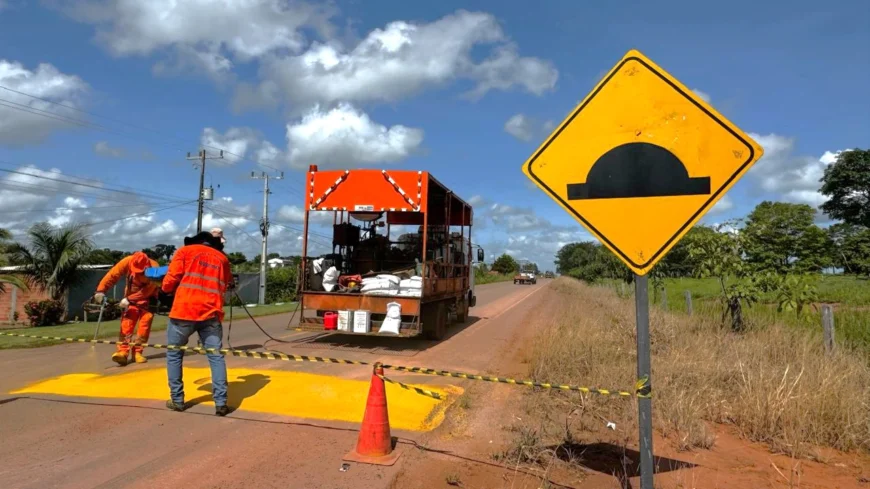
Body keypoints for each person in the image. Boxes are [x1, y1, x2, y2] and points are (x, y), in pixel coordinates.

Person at [161, 231, 233, 416]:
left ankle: (177, 400)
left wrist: (164, 290)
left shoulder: (185, 251)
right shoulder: (222, 258)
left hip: (183, 311)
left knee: (174, 355)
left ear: (195, 241)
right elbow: (226, 283)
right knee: (216, 357)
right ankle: (221, 403)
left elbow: (170, 280)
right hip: (210, 313)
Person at [94, 250, 160, 366]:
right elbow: (113, 275)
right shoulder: (127, 261)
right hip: (130, 297)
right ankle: (123, 352)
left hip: (148, 299)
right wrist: (101, 290)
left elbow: (148, 290)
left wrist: (129, 299)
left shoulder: (155, 268)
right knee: (127, 324)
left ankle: (138, 352)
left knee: (144, 326)